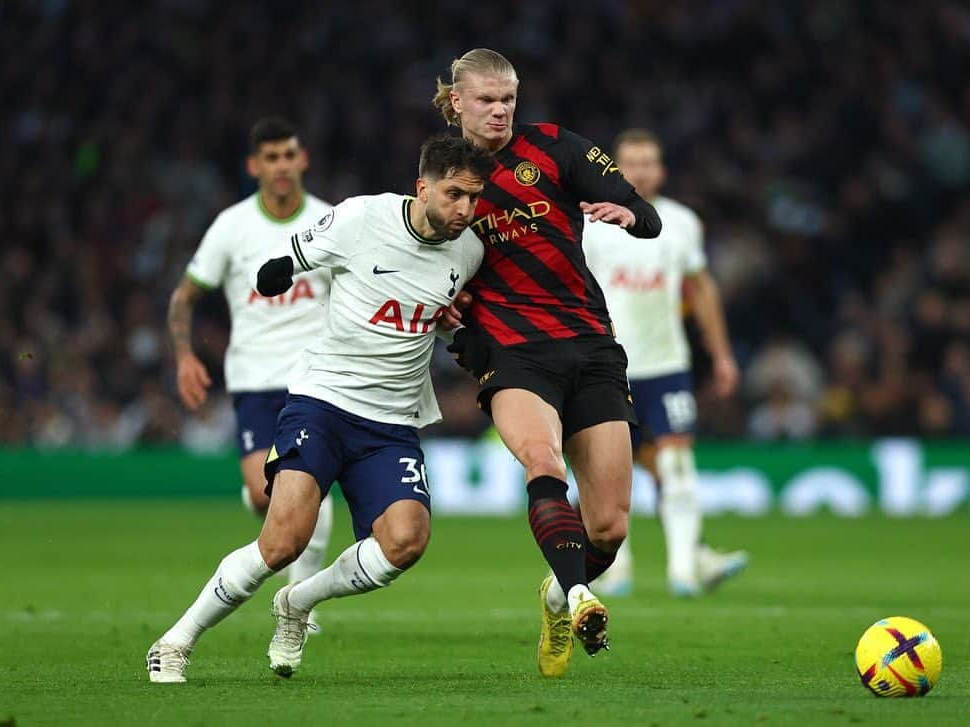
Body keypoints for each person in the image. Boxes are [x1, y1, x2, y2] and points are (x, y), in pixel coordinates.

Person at [146, 134, 493, 683]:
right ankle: (175, 640)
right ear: (422, 187)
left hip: (394, 421)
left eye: (474, 198)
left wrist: (463, 328)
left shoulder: (470, 250)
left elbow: (454, 309)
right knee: (283, 542)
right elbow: (290, 260)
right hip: (324, 402)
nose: (465, 210)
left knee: (406, 542)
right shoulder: (359, 219)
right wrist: (276, 272)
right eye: (454, 195)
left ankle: (298, 602)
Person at [432, 48, 662, 678]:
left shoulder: (557, 148)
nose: (501, 109)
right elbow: (421, 253)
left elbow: (647, 214)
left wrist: (627, 214)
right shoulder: (443, 175)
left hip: (588, 343)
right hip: (511, 349)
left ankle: (559, 592)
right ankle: (583, 596)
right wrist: (443, 301)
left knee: (609, 529)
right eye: (486, 99)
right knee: (542, 459)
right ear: (458, 103)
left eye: (508, 98)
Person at [167, 117, 335, 624]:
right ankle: (260, 499)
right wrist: (184, 355)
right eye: (271, 157)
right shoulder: (233, 226)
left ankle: (298, 605)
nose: (281, 165)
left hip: (315, 377)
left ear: (302, 159)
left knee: (308, 487)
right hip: (255, 381)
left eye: (289, 155)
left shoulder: (331, 222)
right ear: (254, 165)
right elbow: (185, 296)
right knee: (268, 495)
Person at [582, 129, 748, 597]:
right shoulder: (590, 223)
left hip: (667, 364)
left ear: (663, 169)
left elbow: (702, 290)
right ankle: (617, 569)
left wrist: (721, 355)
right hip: (606, 366)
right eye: (631, 161)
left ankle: (683, 572)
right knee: (610, 471)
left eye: (649, 161)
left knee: (675, 463)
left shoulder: (681, 222)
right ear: (614, 168)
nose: (641, 170)